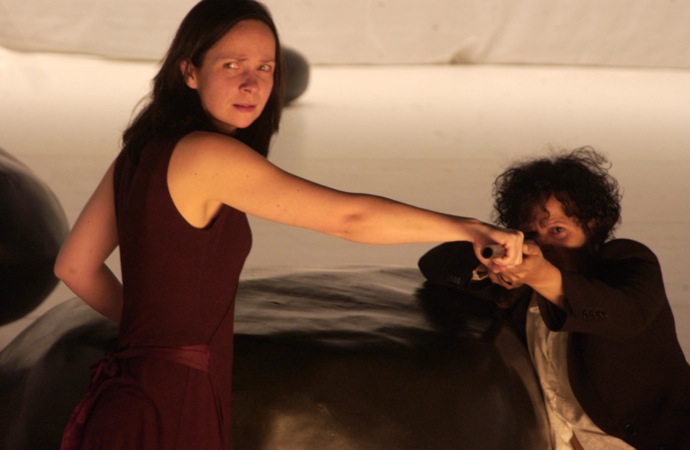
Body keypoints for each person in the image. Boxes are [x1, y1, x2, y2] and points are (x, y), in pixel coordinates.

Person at [53, 1, 523, 448]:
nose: (251, 83)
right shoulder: (207, 156)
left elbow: (74, 267)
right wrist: (470, 229)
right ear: (189, 71)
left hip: (125, 397)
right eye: (232, 65)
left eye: (265, 67)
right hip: (170, 404)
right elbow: (350, 219)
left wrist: (154, 336)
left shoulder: (141, 151)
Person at [418, 148, 690, 450]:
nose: (543, 245)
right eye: (531, 234)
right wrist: (490, 261)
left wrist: (541, 276)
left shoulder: (627, 260)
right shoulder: (518, 285)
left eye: (557, 230)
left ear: (591, 224)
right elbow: (433, 263)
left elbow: (624, 317)